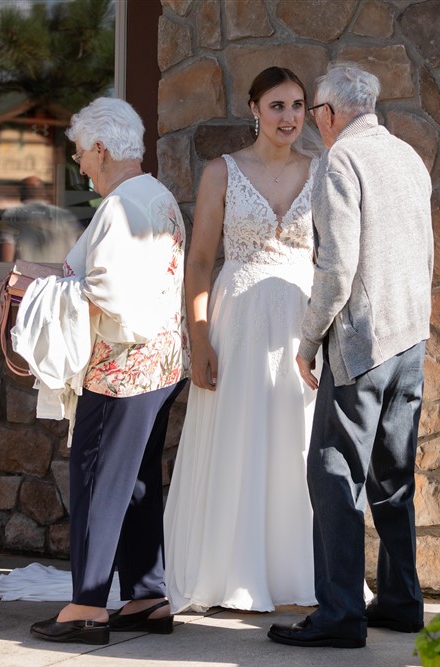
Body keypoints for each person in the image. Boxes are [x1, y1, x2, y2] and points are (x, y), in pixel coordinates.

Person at [268, 63, 434, 649]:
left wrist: (308, 341)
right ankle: (401, 600)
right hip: (411, 339)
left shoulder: (342, 161)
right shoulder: (409, 157)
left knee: (334, 473)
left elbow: (336, 268)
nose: (314, 122)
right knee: (393, 479)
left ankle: (340, 614)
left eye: (314, 111)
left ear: (331, 113)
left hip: (362, 340)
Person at [26, 97, 187, 646]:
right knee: (139, 484)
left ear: (101, 148)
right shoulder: (158, 195)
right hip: (162, 364)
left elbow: (108, 294)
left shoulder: (119, 206)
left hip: (121, 370)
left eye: (80, 154)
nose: (80, 166)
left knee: (97, 482)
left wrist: (39, 290)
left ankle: (87, 606)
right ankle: (147, 596)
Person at [163, 67, 319, 613]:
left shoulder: (321, 173)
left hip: (300, 324)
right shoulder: (222, 173)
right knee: (238, 437)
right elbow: (201, 260)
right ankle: (230, 571)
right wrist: (199, 339)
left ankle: (296, 573)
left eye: (298, 105)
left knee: (295, 442)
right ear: (254, 109)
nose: (289, 117)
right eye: (277, 106)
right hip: (238, 323)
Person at [0, 176, 82, 262]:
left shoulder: (12, 215)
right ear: (43, 193)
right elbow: (80, 248)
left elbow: (7, 255)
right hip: (61, 274)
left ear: (22, 192)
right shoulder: (66, 216)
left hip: (27, 274)